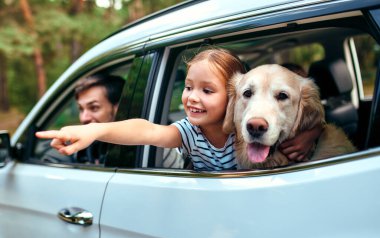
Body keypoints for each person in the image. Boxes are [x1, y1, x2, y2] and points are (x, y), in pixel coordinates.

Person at [36, 48, 320, 170]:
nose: (193, 98)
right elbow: (145, 130)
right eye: (188, 87)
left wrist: (313, 132)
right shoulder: (189, 133)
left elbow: (297, 130)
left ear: (234, 99)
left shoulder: (248, 125)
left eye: (207, 91)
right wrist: (95, 130)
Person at [41, 74, 125, 164]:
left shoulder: (138, 150)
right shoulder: (80, 148)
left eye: (94, 107)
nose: (84, 118)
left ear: (118, 108)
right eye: (81, 109)